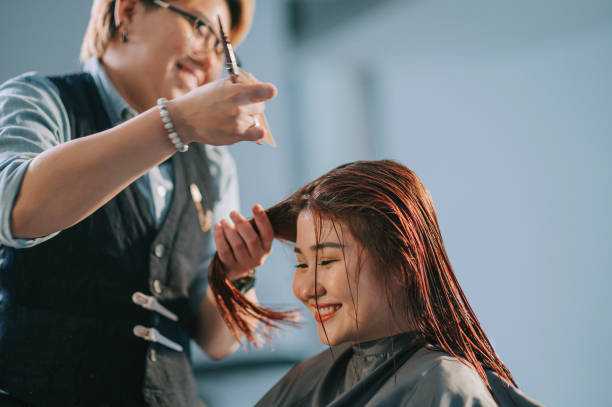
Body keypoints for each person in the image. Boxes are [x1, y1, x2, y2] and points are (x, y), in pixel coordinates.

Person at [0, 0, 276, 405]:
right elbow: (17, 209)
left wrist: (235, 275)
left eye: (223, 48)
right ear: (127, 12)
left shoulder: (214, 164)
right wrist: (176, 122)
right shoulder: (40, 99)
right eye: (200, 25)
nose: (210, 56)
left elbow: (218, 343)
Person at [209, 160, 544, 406]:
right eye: (301, 263)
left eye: (326, 261)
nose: (305, 289)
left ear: (401, 265)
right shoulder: (310, 379)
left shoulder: (442, 386)